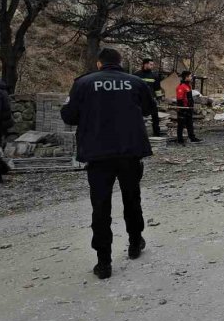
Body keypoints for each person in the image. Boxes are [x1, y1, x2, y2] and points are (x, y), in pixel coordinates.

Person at [60, 48, 155, 280]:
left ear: (99, 63)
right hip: (129, 151)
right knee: (132, 198)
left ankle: (104, 262)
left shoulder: (83, 83)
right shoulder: (135, 82)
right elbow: (150, 109)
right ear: (120, 63)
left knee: (100, 207)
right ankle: (134, 243)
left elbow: (69, 116)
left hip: (98, 154)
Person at [133, 58, 164, 136]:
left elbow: (157, 88)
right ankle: (137, 134)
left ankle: (157, 134)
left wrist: (159, 98)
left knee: (155, 118)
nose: (152, 66)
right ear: (145, 64)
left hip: (151, 100)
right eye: (151, 64)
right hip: (139, 100)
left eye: (152, 64)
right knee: (137, 118)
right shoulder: (136, 75)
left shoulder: (154, 76)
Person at [175, 71, 201, 145]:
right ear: (186, 77)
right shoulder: (181, 86)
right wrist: (182, 109)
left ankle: (192, 138)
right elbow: (179, 99)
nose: (191, 78)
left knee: (190, 124)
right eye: (190, 76)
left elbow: (189, 98)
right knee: (181, 125)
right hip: (183, 109)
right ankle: (180, 140)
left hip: (188, 108)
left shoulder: (188, 86)